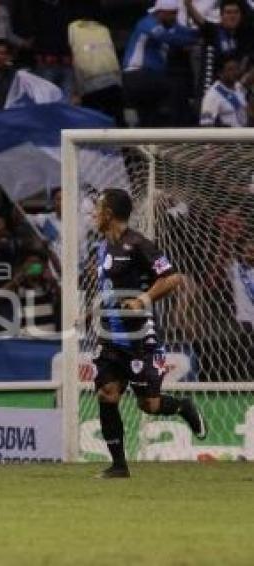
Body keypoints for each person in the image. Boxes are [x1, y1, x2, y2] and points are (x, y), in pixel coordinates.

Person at [91, 188, 206, 479]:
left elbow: (172, 278)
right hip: (110, 338)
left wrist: (142, 300)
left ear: (109, 213)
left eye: (97, 208)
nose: (93, 214)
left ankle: (182, 406)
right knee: (107, 394)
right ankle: (119, 466)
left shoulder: (138, 244)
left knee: (149, 405)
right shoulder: (102, 247)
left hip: (139, 338)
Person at [121, 0, 199, 126]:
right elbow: (169, 38)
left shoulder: (169, 25)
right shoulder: (147, 23)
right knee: (176, 88)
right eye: (172, 14)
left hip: (151, 78)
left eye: (176, 13)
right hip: (137, 75)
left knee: (150, 118)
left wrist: (205, 31)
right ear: (161, 12)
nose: (175, 18)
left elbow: (187, 32)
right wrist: (193, 42)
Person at [199, 57, 250, 127]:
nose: (235, 72)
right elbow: (206, 124)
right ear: (220, 73)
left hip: (245, 135)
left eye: (236, 69)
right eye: (230, 70)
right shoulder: (212, 95)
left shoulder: (239, 88)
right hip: (227, 136)